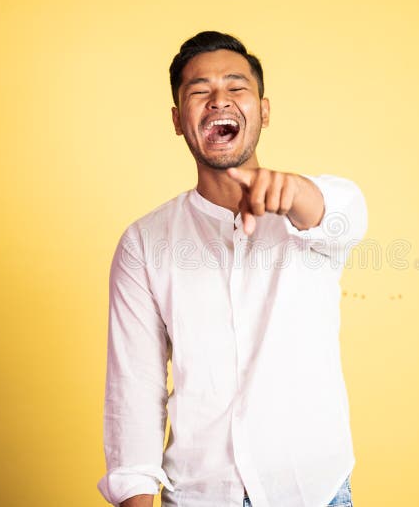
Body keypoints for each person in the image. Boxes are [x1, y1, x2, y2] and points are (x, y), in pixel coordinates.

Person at [96, 31, 367, 507]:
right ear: (180, 120)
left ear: (263, 110)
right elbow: (134, 391)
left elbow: (347, 214)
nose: (219, 99)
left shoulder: (312, 218)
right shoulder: (144, 243)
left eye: (236, 87)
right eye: (200, 91)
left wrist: (297, 193)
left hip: (315, 493)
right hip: (199, 496)